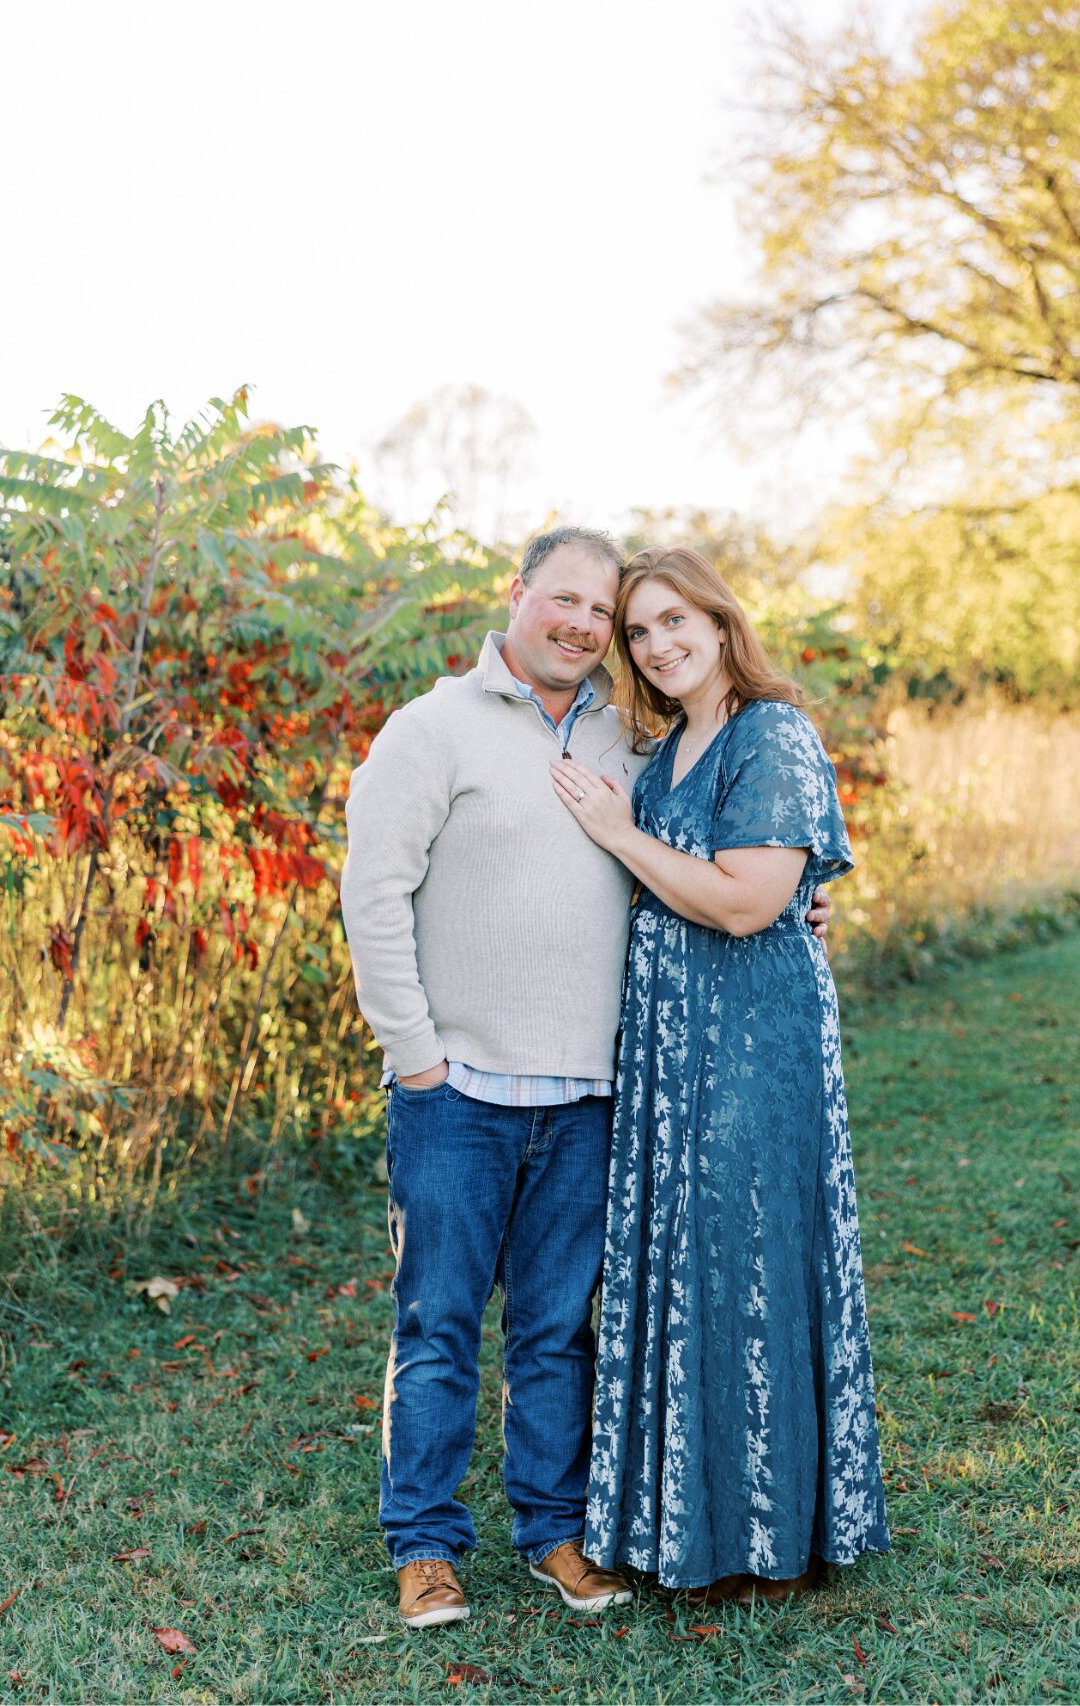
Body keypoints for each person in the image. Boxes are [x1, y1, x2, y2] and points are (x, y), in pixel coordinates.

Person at [340, 526, 832, 1628]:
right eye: (566, 600)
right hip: (458, 1089)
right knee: (437, 1326)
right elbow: (371, 897)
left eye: (604, 613)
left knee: (559, 1329)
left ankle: (553, 1532)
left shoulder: (630, 738)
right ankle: (424, 1545)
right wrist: (415, 1055)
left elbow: (710, 857)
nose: (585, 625)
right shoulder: (431, 728)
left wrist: (794, 903)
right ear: (517, 593)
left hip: (590, 1093)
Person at [549, 546, 889, 1602]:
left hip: (750, 1038)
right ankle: (682, 1521)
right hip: (668, 1046)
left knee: (747, 1257)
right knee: (683, 1260)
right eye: (637, 632)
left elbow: (745, 903)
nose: (656, 645)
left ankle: (763, 1537)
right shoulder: (663, 753)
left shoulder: (769, 732)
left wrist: (618, 834)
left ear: (718, 619)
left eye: (673, 620)